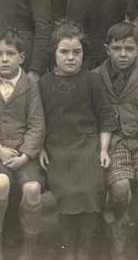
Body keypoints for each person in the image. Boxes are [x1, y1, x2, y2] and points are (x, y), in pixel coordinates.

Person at [38, 21, 117, 260]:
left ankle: (84, 245)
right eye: (64, 52)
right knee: (67, 189)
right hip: (57, 147)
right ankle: (67, 245)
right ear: (54, 54)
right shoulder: (43, 84)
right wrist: (40, 147)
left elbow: (105, 115)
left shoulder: (92, 80)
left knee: (91, 185)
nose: (71, 58)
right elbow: (36, 119)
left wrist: (103, 149)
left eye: (77, 52)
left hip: (87, 144)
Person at [92, 22, 138, 260]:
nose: (123, 54)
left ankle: (124, 226)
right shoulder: (96, 77)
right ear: (107, 49)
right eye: (117, 49)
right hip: (115, 143)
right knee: (120, 185)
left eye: (129, 49)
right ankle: (115, 216)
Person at [0, 28, 45, 260]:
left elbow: (37, 123)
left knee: (33, 189)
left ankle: (30, 241)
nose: (4, 59)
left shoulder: (31, 85)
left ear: (21, 57)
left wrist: (24, 155)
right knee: (0, 182)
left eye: (11, 53)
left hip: (24, 152)